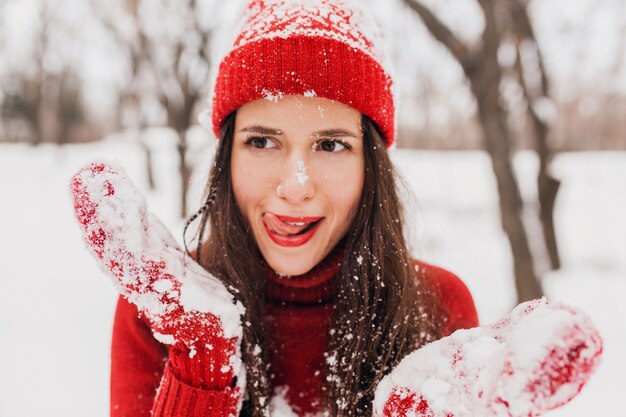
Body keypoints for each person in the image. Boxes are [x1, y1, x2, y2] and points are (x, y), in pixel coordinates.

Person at [108, 0, 479, 416]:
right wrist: (200, 370)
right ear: (227, 156)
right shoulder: (162, 307)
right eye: (262, 142)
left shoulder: (438, 306)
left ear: (370, 167)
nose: (295, 188)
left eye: (331, 144)